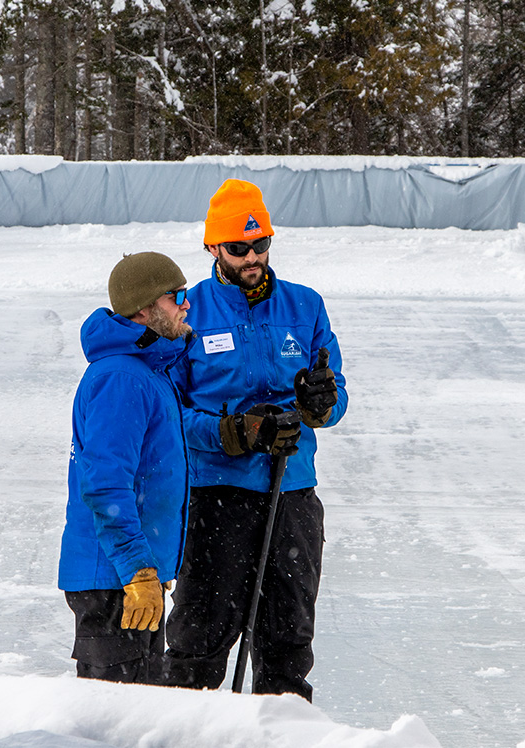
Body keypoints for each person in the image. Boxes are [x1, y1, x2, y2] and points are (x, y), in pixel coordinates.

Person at [164, 179, 347, 701]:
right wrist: (234, 432)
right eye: (239, 247)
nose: (253, 256)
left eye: (261, 244)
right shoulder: (188, 312)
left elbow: (338, 401)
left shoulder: (305, 306)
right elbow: (170, 414)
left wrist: (319, 405)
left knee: (288, 644)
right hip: (218, 498)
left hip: (292, 493)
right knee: (198, 644)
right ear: (213, 248)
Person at [58, 251, 194, 683]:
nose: (187, 304)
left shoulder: (148, 372)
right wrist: (137, 568)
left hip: (129, 579)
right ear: (145, 307)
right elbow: (104, 485)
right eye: (177, 296)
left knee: (137, 715)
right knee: (114, 725)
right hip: (114, 579)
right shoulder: (122, 378)